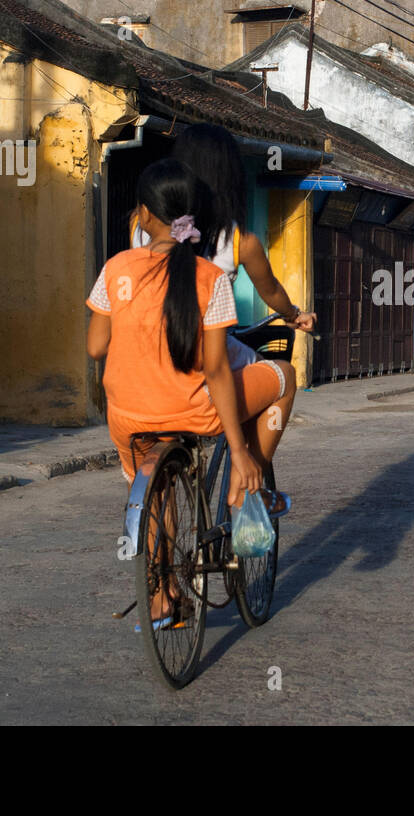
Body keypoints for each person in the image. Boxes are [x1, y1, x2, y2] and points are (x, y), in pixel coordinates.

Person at [87, 158, 297, 622]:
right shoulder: (210, 278)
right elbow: (218, 370)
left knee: (156, 497)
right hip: (193, 412)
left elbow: (96, 347)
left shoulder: (117, 268)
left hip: (128, 420)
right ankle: (248, 489)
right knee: (285, 376)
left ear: (142, 214)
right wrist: (240, 453)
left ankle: (162, 596)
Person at [129, 123, 317, 364]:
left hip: (144, 352)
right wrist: (295, 314)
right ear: (231, 176)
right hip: (206, 355)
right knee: (284, 376)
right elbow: (271, 291)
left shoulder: (140, 222)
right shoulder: (240, 240)